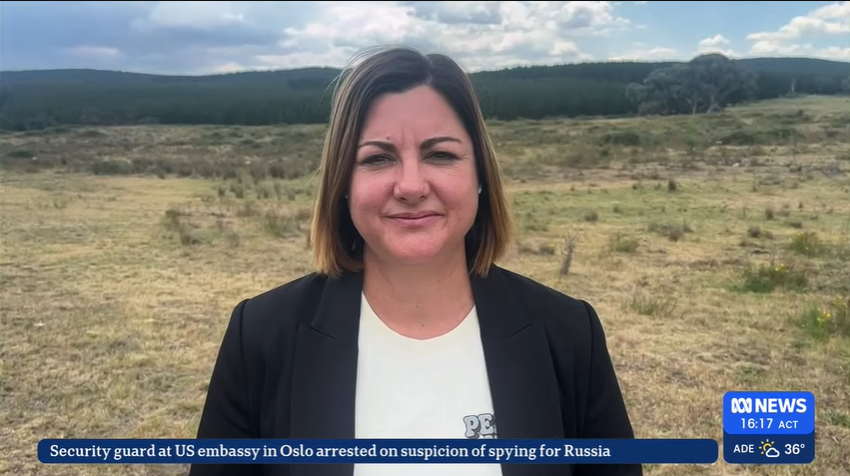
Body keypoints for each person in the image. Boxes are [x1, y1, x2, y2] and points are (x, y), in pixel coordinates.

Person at [189, 46, 641, 476]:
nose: (410, 186)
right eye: (378, 158)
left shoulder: (567, 333)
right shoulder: (262, 336)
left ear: (480, 176)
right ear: (343, 184)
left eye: (440, 155)